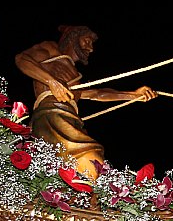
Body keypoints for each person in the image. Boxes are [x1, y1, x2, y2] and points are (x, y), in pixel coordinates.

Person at [15, 25, 157, 180]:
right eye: (87, 41)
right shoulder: (50, 49)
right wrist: (51, 82)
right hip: (52, 114)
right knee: (91, 157)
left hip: (70, 118)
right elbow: (22, 59)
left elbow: (96, 93)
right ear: (73, 37)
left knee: (77, 166)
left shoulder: (74, 74)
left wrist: (133, 95)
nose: (90, 48)